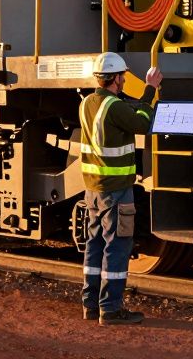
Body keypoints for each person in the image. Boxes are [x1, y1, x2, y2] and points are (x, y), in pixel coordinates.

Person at [79, 51, 162, 326]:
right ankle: (111, 309)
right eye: (123, 76)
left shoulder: (87, 103)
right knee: (117, 245)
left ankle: (91, 305)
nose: (125, 79)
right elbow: (141, 123)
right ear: (115, 78)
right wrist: (151, 89)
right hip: (116, 189)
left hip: (93, 188)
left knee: (95, 244)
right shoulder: (113, 106)